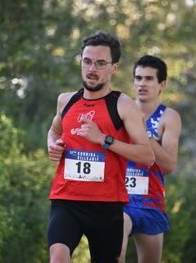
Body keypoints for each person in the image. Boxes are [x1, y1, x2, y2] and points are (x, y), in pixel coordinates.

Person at [46, 32, 155, 263]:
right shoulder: (67, 101)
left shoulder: (123, 105)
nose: (91, 68)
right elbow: (54, 130)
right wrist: (52, 145)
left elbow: (147, 156)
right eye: (87, 61)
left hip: (106, 205)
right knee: (57, 256)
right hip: (66, 199)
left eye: (100, 63)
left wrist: (104, 139)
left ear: (114, 67)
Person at [119, 55, 182, 263]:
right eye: (138, 78)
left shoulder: (168, 117)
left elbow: (169, 165)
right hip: (120, 199)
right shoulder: (120, 110)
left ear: (161, 84)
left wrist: (143, 133)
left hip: (151, 202)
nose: (141, 84)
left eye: (148, 79)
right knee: (113, 252)